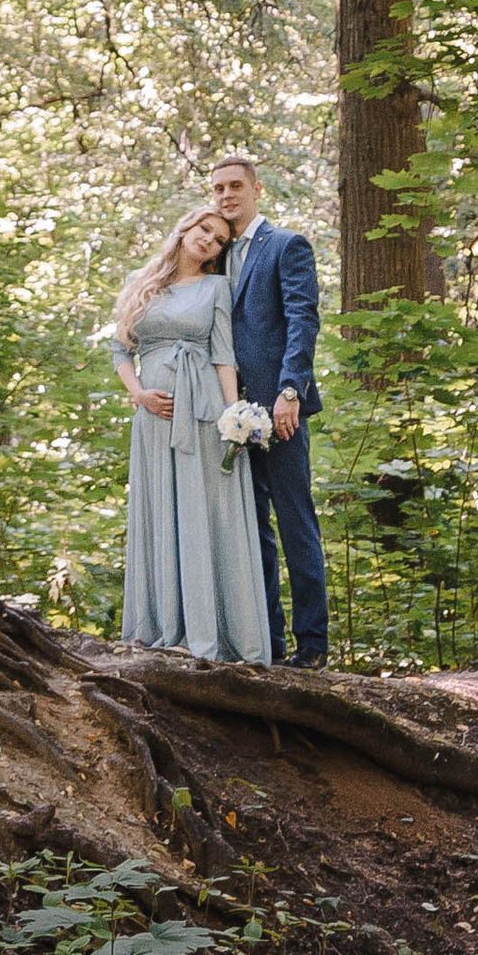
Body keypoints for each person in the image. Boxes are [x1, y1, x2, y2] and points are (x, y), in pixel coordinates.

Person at [110, 203, 272, 664]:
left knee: (206, 514)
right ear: (185, 229)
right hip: (152, 418)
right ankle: (160, 626)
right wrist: (139, 394)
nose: (210, 241)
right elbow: (120, 350)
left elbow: (223, 355)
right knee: (160, 509)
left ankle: (210, 632)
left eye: (220, 239)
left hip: (201, 413)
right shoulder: (143, 285)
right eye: (205, 230)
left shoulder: (217, 287)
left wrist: (231, 419)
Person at [208, 150, 329, 666]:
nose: (227, 196)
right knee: (251, 530)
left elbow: (303, 320)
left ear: (256, 190)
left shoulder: (285, 245)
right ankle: (269, 645)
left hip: (281, 411)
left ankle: (314, 646)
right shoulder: (211, 255)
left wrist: (289, 392)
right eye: (218, 189)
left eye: (235, 186)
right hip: (232, 416)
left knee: (294, 521)